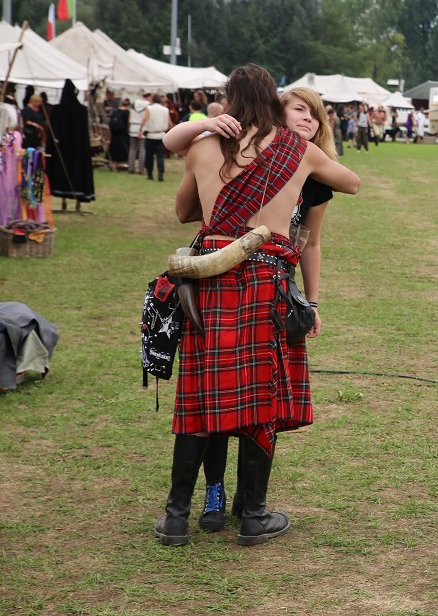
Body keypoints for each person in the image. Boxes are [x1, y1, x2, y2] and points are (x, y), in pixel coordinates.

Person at [155, 64, 360, 548]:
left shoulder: (202, 147)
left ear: (228, 100)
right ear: (273, 102)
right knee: (260, 396)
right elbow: (351, 182)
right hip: (265, 280)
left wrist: (205, 131)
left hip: (209, 280)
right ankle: (253, 515)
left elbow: (185, 212)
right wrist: (306, 163)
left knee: (200, 397)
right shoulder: (298, 151)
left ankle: (176, 518)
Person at [139, 94, 171, 181]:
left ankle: (150, 174)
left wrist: (140, 130)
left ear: (152, 100)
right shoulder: (165, 110)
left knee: (149, 156)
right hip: (161, 135)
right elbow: (169, 123)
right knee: (160, 156)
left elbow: (144, 120)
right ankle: (160, 173)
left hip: (150, 135)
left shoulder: (149, 108)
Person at [128, 94, 150, 174]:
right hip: (141, 127)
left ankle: (131, 168)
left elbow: (129, 117)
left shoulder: (133, 104)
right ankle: (141, 169)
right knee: (142, 149)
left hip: (133, 127)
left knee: (132, 149)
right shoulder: (148, 106)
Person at [108, 98, 131, 170]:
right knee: (124, 147)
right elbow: (128, 122)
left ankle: (113, 163)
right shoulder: (127, 112)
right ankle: (125, 163)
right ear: (128, 105)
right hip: (123, 132)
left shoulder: (115, 111)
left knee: (114, 146)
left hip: (115, 131)